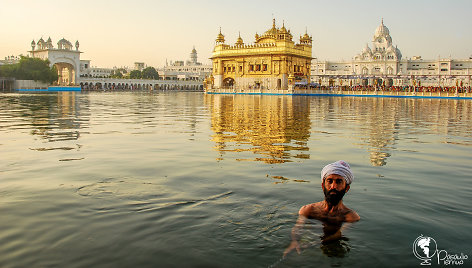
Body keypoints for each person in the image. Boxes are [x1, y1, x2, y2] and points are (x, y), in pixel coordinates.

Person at [283, 160, 360, 257]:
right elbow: (298, 228)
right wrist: (294, 242)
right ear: (323, 186)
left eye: (339, 182)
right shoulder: (308, 210)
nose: (333, 186)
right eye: (329, 181)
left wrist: (312, 244)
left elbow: (339, 234)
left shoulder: (350, 217)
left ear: (347, 188)